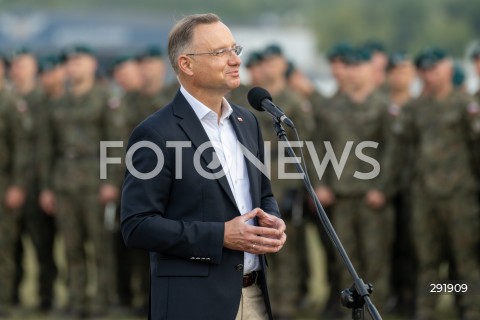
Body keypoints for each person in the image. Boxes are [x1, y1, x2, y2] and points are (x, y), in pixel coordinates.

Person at [121, 13, 286, 320]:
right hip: (193, 303)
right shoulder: (156, 133)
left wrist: (271, 220)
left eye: (234, 49)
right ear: (187, 64)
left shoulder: (247, 121)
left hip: (254, 296)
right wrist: (219, 235)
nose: (234, 60)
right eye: (219, 52)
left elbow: (262, 195)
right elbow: (137, 226)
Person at [398, 47, 480, 320]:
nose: (429, 75)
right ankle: (426, 310)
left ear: (447, 68)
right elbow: (403, 150)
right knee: (428, 261)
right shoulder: (414, 109)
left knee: (465, 259)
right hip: (424, 196)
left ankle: (470, 309)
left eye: (434, 69)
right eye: (424, 70)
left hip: (461, 195)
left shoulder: (466, 105)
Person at [313, 47, 395, 316]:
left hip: (372, 196)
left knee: (376, 259)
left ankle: (375, 309)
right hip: (341, 195)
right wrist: (321, 184)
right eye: (348, 66)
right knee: (344, 259)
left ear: (370, 70)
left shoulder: (383, 105)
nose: (353, 72)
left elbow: (392, 151)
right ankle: (347, 310)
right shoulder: (330, 107)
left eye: (359, 66)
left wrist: (382, 188)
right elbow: (318, 147)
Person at [39, 45, 119, 318]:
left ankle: (102, 299)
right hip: (64, 181)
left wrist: (111, 181)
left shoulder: (105, 97)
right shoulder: (58, 102)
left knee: (100, 246)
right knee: (71, 246)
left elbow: (115, 143)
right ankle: (75, 298)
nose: (73, 67)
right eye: (69, 63)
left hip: (95, 180)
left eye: (79, 62)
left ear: (92, 64)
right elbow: (48, 146)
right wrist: (47, 187)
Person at [8, 48, 58, 312]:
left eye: (24, 65)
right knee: (11, 245)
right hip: (10, 185)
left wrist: (48, 186)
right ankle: (11, 293)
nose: (18, 70)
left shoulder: (45, 101)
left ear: (34, 69)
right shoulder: (8, 99)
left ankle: (46, 297)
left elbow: (49, 146)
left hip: (37, 184)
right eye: (15, 65)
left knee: (42, 245)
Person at [385, 51, 417, 317]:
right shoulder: (380, 104)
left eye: (405, 70)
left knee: (412, 246)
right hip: (382, 188)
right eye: (395, 70)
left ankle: (413, 296)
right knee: (388, 246)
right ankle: (392, 295)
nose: (400, 75)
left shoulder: (418, 106)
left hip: (414, 188)